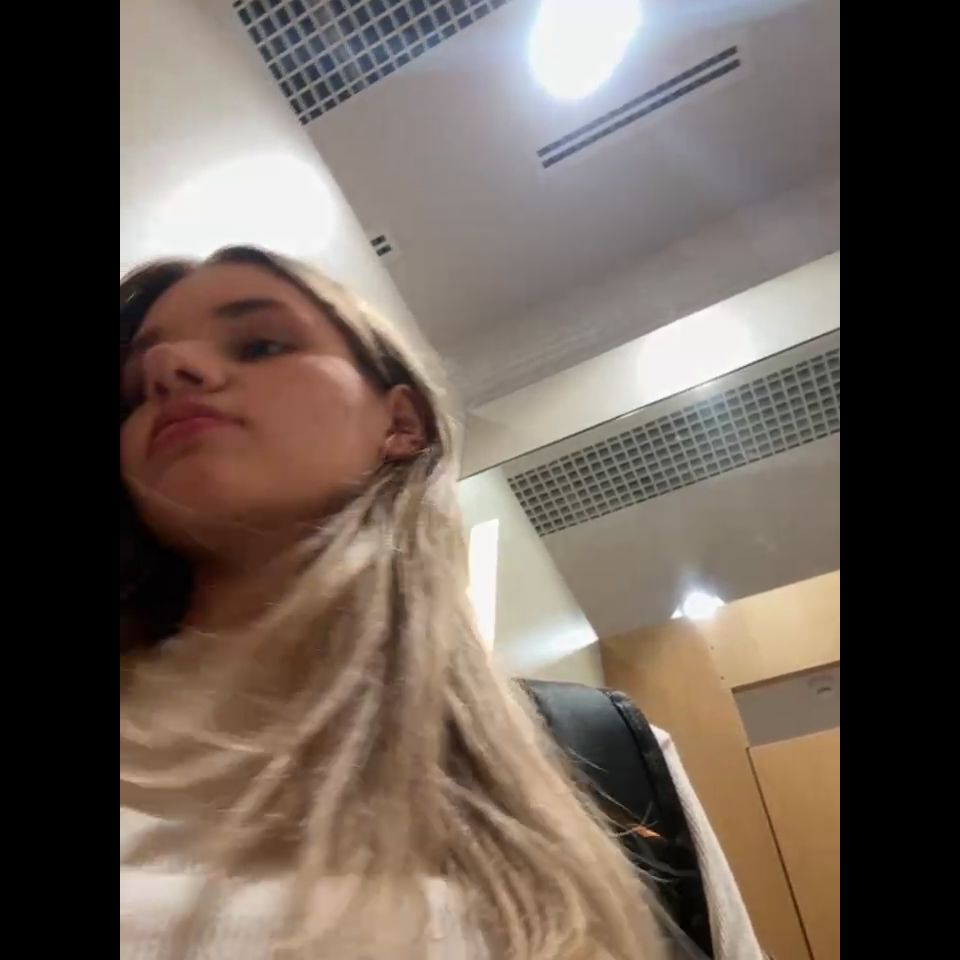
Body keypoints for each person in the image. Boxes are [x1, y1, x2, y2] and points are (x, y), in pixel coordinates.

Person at [120, 246, 756, 960]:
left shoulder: (604, 757)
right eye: (136, 389)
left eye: (260, 344)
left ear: (402, 423)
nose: (169, 371)